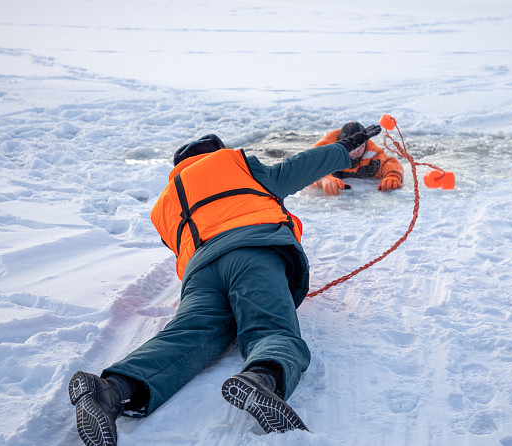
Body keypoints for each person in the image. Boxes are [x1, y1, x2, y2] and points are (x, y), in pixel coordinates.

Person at [68, 125, 382, 446]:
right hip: (253, 250)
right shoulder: (232, 163)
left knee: (192, 334)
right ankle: (261, 377)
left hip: (201, 272)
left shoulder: (166, 202)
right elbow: (298, 168)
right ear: (216, 151)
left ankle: (111, 389)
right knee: (270, 328)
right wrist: (345, 148)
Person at [310, 121, 404, 195]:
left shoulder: (373, 157)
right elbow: (310, 167)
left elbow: (389, 163)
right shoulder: (325, 152)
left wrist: (393, 176)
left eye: (360, 146)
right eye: (352, 147)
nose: (356, 152)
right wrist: (323, 178)